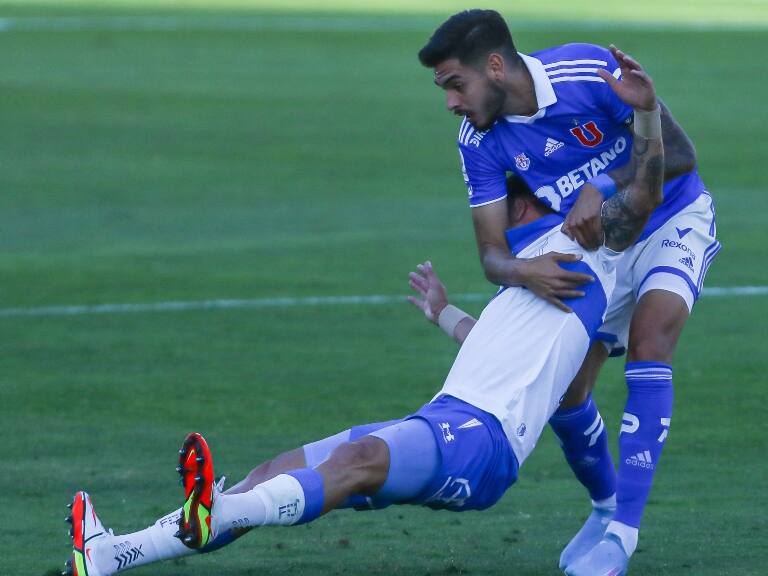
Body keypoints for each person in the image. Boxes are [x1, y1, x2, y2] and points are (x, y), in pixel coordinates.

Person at [61, 62, 664, 576]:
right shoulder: (527, 279)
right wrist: (443, 312)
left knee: (357, 462)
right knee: (272, 473)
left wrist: (644, 122)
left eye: (511, 205)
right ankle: (112, 554)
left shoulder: (585, 257)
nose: (503, 218)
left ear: (532, 203)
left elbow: (643, 197)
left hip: (484, 443)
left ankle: (208, 517)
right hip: (442, 417)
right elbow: (502, 348)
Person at [418, 10, 720, 575]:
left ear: (496, 65)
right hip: (598, 246)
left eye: (456, 84)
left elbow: (678, 156)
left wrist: (599, 184)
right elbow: (492, 257)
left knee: (652, 340)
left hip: (671, 219)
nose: (452, 103)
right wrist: (526, 273)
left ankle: (623, 536)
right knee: (565, 392)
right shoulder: (477, 141)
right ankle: (604, 508)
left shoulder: (587, 71)